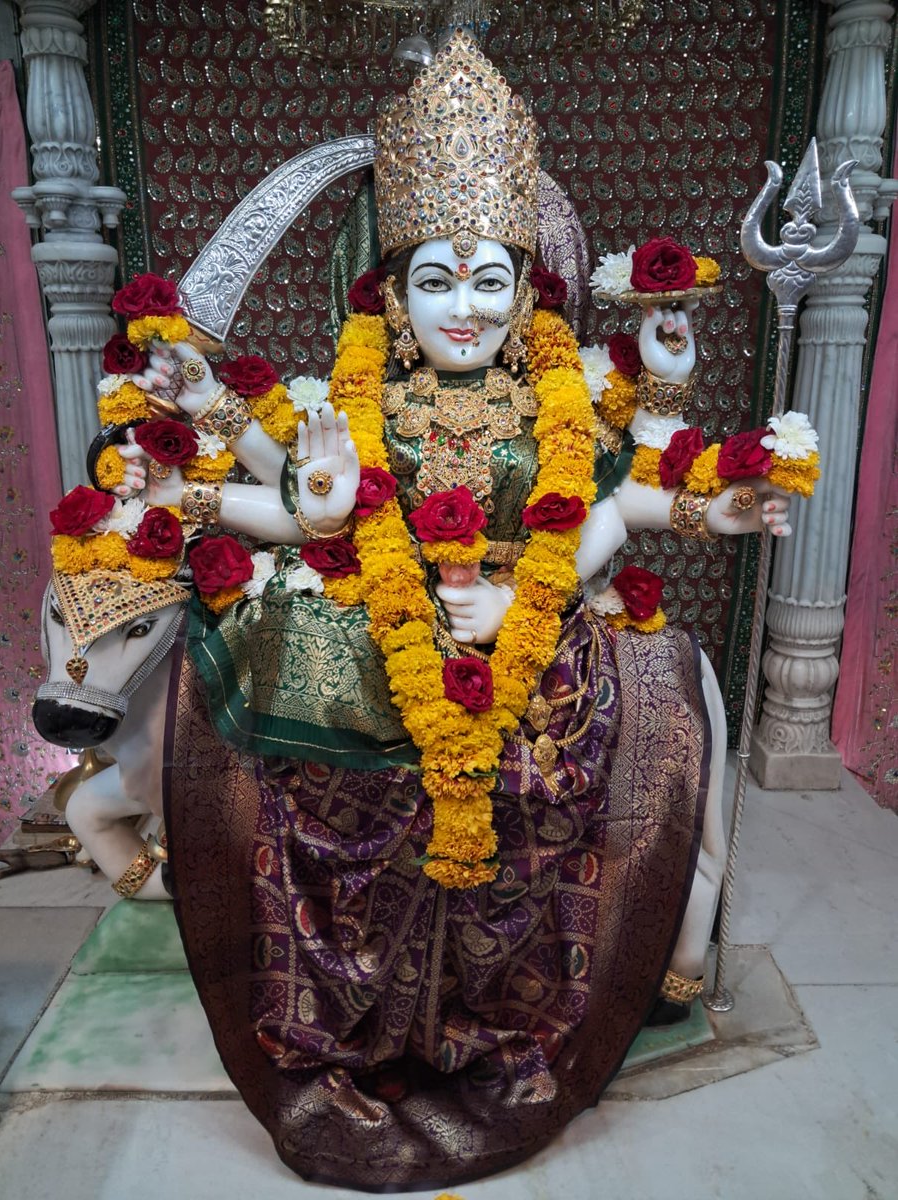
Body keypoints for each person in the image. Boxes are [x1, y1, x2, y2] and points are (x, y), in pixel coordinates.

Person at [117, 31, 793, 1191]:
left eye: (491, 279)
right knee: (296, 748)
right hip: (373, 628)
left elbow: (620, 498)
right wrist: (309, 503)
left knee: (614, 733)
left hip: (537, 631)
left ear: (528, 289)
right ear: (389, 292)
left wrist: (708, 514)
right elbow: (285, 498)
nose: (465, 309)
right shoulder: (348, 391)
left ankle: (509, 1021)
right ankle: (355, 1023)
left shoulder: (564, 387)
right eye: (436, 279)